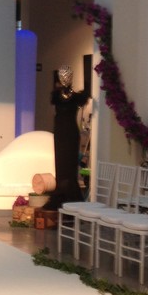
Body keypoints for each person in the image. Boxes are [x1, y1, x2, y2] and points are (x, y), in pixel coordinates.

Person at [48, 65, 90, 210]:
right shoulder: (56, 97)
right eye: (63, 76)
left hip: (71, 132)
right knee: (61, 164)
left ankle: (71, 194)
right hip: (60, 133)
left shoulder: (76, 97)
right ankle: (61, 193)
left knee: (70, 164)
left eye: (67, 75)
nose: (65, 78)